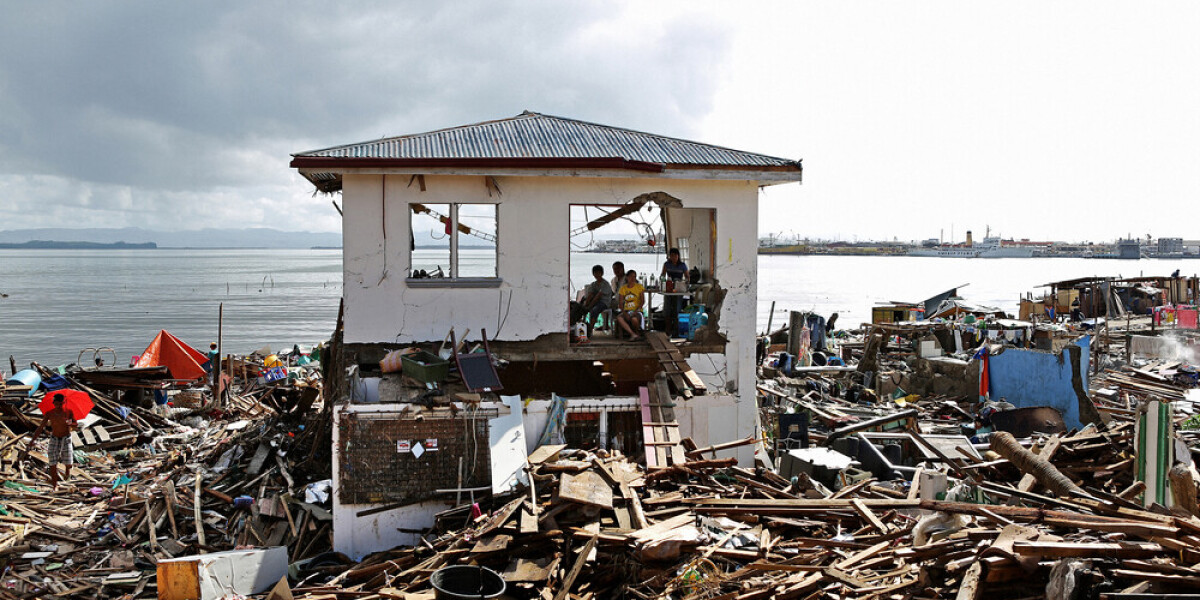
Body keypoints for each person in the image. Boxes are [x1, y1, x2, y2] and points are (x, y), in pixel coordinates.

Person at [24, 393, 78, 489]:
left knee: (68, 463)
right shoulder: (50, 413)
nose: (58, 406)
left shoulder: (68, 412)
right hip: (54, 438)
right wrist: (33, 440)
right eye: (57, 404)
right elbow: (41, 427)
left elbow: (75, 424)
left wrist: (70, 423)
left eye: (60, 404)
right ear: (54, 403)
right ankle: (54, 485)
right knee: (52, 463)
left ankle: (67, 473)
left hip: (66, 438)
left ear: (63, 403)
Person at [660, 248, 688, 336]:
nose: (673, 257)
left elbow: (687, 276)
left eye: (675, 256)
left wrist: (685, 283)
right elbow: (662, 275)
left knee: (677, 309)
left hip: (679, 289)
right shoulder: (667, 264)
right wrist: (662, 282)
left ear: (678, 256)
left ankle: (676, 330)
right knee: (667, 309)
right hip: (669, 288)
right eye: (671, 256)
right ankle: (667, 330)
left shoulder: (682, 265)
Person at [581, 265, 613, 339]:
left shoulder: (605, 284)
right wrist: (586, 304)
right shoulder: (593, 284)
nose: (597, 275)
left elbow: (598, 296)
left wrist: (589, 306)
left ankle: (590, 329)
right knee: (583, 308)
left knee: (594, 310)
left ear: (602, 273)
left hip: (604, 302)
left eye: (598, 273)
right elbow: (590, 295)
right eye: (595, 273)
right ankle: (583, 326)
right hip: (595, 302)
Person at [616, 269, 646, 341]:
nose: (633, 279)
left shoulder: (639, 287)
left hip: (637, 310)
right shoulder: (623, 288)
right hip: (627, 310)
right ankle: (632, 334)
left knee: (634, 319)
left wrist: (636, 311)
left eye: (634, 277)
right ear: (627, 277)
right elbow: (620, 303)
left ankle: (637, 332)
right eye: (631, 276)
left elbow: (642, 301)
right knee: (619, 318)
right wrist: (624, 312)